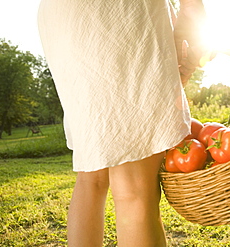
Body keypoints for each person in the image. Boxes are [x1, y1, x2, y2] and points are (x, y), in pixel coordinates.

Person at [37, 0, 206, 246]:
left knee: (90, 179)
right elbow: (191, 10)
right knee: (134, 190)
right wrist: (192, 10)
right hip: (122, 13)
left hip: (61, 15)